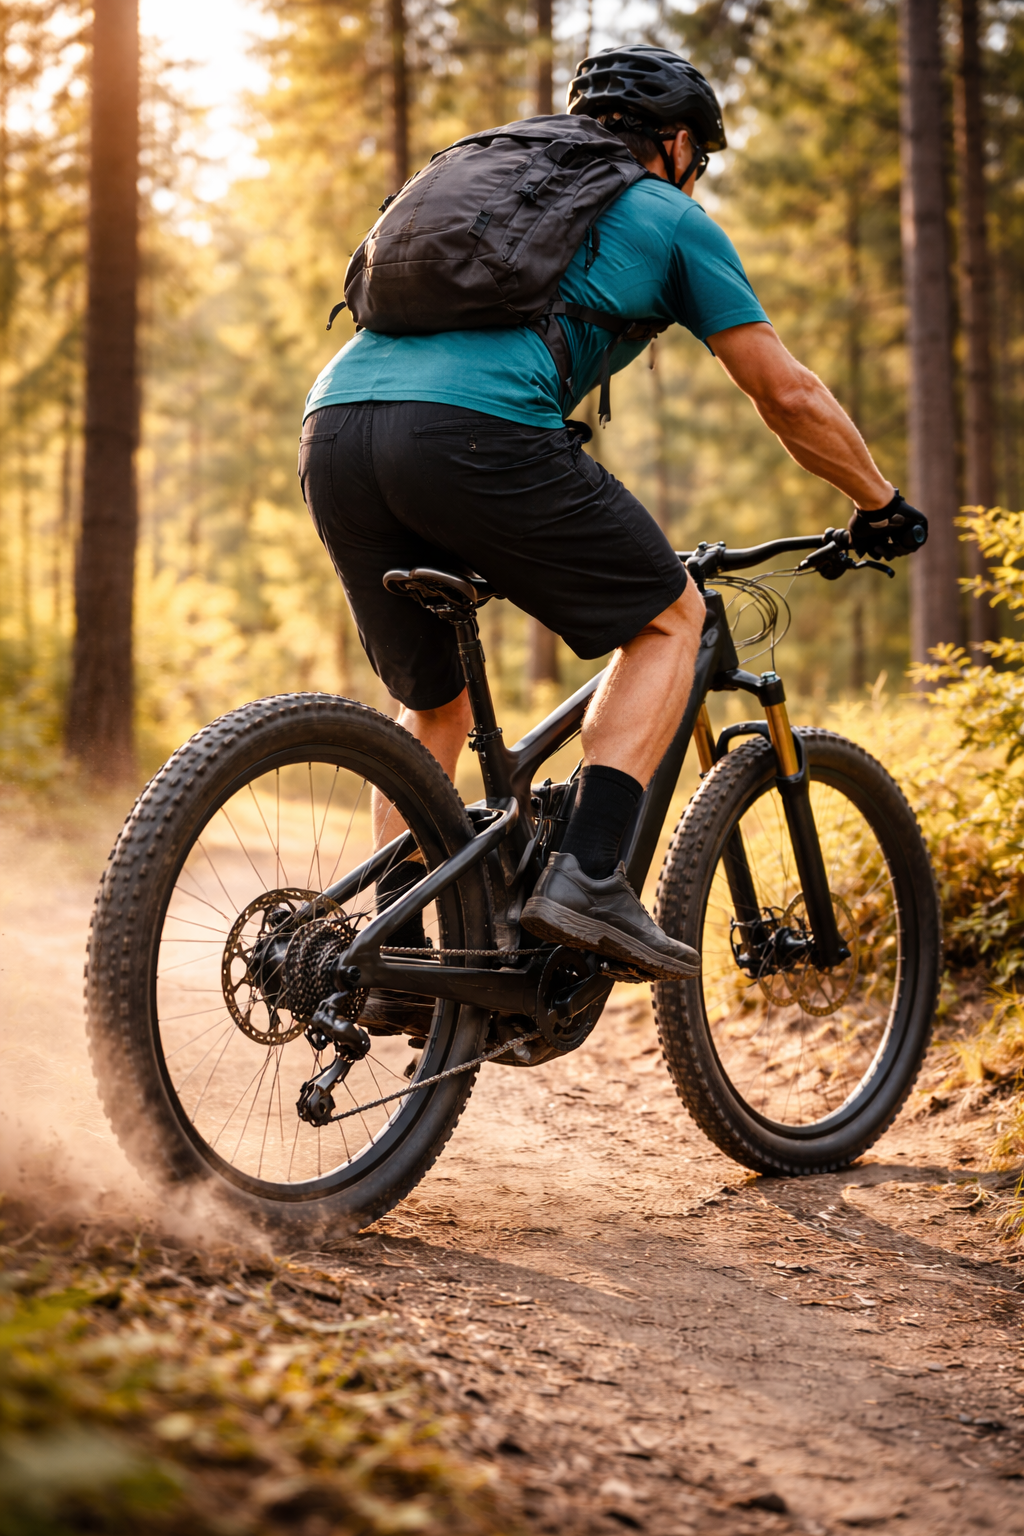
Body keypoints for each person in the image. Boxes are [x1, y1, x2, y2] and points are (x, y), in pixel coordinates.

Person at [298, 45, 927, 1018]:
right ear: (674, 144)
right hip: (474, 431)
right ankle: (588, 877)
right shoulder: (667, 213)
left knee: (438, 705)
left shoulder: (495, 185)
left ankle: (397, 950)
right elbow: (786, 393)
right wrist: (879, 503)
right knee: (671, 617)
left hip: (335, 426)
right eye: (699, 158)